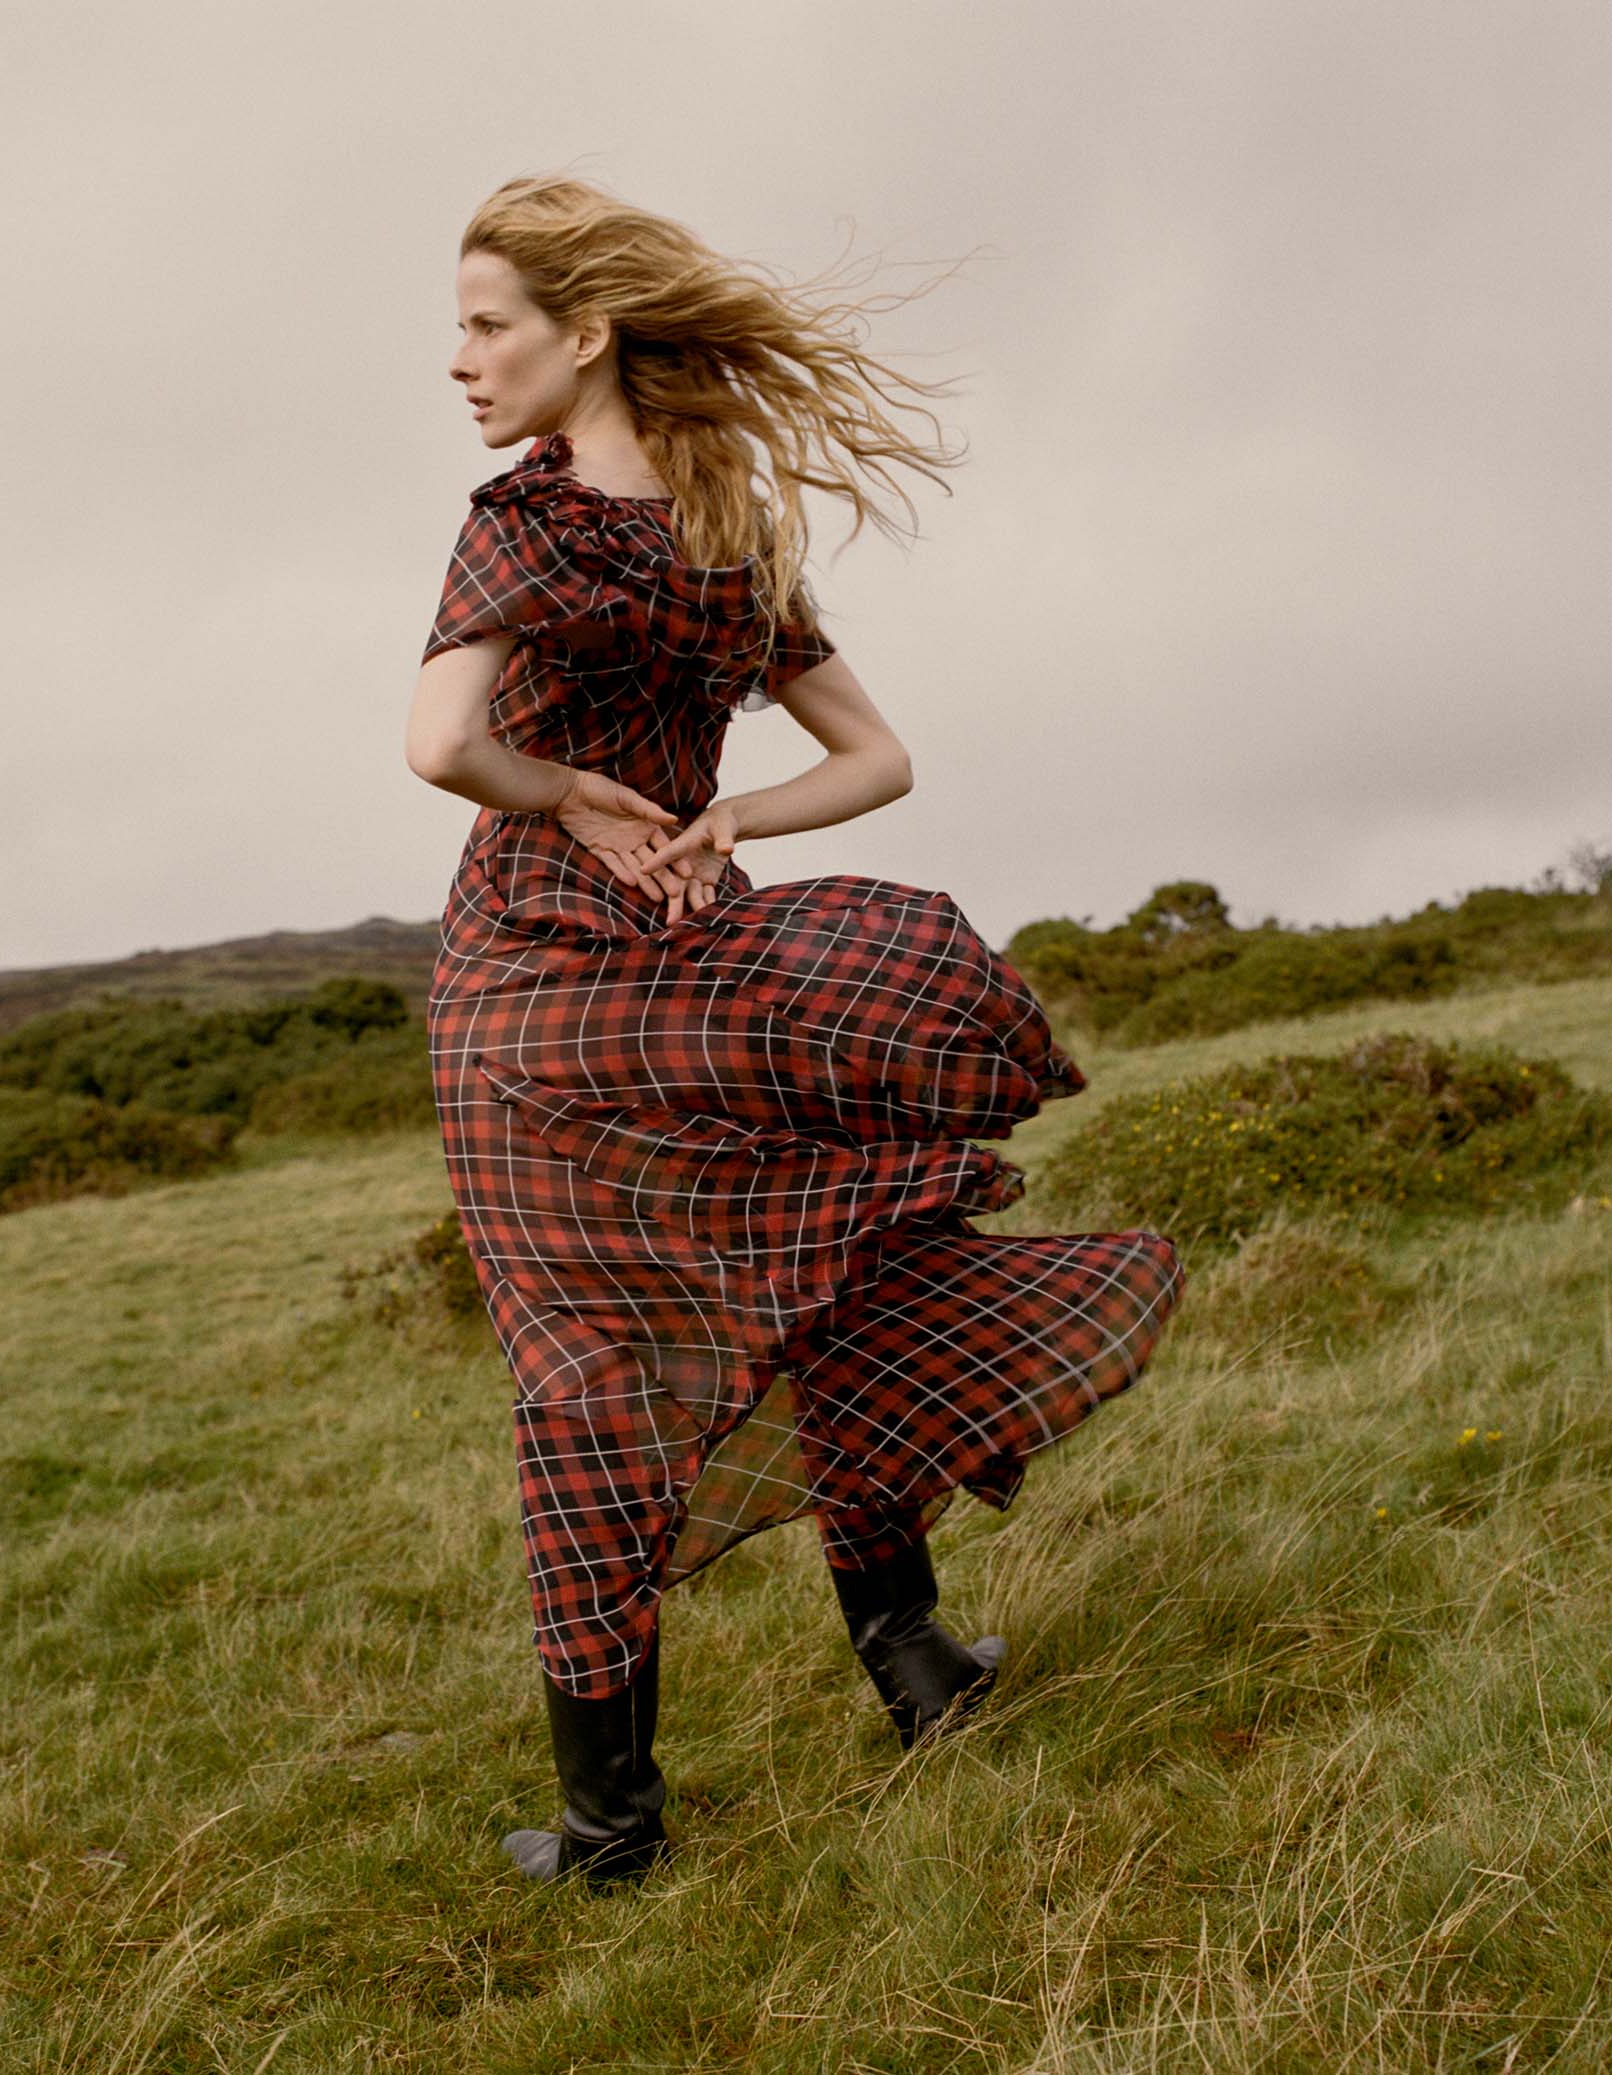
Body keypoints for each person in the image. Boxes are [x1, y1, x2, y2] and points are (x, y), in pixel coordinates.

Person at [406, 174, 1183, 1888]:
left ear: (585, 333)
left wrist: (569, 797)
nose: (457, 361)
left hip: (531, 996)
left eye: (485, 323)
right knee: (822, 1283)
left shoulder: (521, 523)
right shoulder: (722, 527)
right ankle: (912, 1665)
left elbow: (440, 746)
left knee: (584, 1390)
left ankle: (614, 1829)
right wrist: (726, 819)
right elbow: (878, 762)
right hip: (701, 964)